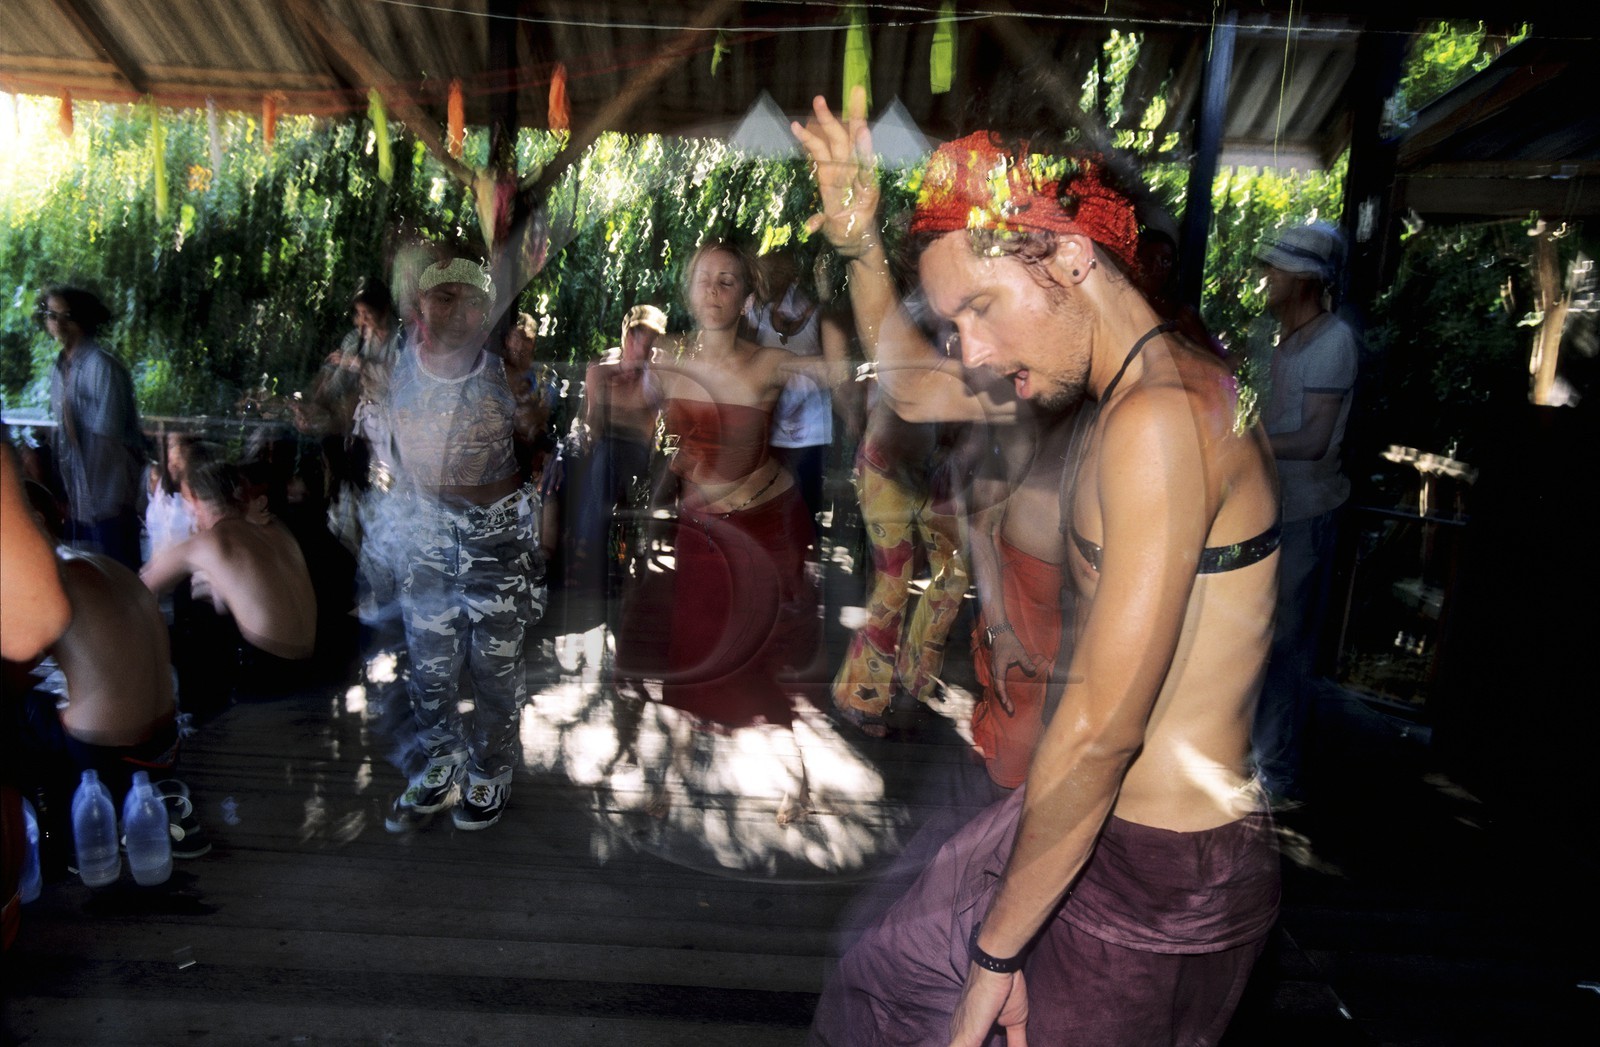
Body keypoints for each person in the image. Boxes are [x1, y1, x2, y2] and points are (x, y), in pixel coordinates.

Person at [797, 91, 1282, 1046]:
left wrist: (995, 958)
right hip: (1091, 833)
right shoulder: (1115, 388)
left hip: (1154, 878)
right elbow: (909, 378)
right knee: (881, 983)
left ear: (1067, 254)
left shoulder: (1160, 419)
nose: (970, 348)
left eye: (979, 306)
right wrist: (858, 248)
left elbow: (1102, 731)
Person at [617, 240, 823, 823]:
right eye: (703, 279)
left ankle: (799, 781)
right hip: (700, 531)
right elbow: (670, 443)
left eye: (727, 281)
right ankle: (671, 782)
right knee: (694, 653)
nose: (712, 290)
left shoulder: (769, 363)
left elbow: (844, 372)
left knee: (757, 655)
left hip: (761, 532)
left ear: (747, 297)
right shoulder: (670, 361)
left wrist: (836, 300)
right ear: (688, 290)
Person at [375, 255, 544, 833]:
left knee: (494, 667)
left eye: (471, 300)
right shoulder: (398, 368)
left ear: (484, 313)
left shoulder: (505, 374)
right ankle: (443, 763)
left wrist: (529, 402)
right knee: (429, 667)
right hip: (425, 532)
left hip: (494, 536)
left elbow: (537, 443)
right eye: (442, 297)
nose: (456, 309)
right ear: (421, 307)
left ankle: (491, 770)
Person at [5, 481, 196, 867]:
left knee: (13, 710)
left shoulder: (48, 581)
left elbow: (13, 673)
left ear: (35, 522)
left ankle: (48, 839)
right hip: (163, 744)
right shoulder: (104, 565)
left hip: (106, 755)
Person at [1251, 222, 1359, 805]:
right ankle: (1257, 761)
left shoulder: (1332, 341)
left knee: (1288, 646)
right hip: (1275, 510)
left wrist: (1242, 441)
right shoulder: (1283, 341)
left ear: (1306, 278)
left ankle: (1279, 776)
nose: (1267, 276)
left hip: (1308, 514)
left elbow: (1315, 439)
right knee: (1264, 639)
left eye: (1278, 267)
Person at [141, 459, 318, 715]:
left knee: (187, 610)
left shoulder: (206, 543)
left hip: (265, 675)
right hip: (308, 666)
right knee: (204, 598)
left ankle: (193, 721)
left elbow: (141, 587)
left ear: (193, 500)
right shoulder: (276, 529)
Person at [965, 406, 1077, 789]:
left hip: (1076, 615)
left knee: (1063, 767)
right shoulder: (1023, 429)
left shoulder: (1108, 423)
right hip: (1019, 609)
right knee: (1013, 763)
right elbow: (980, 528)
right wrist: (999, 630)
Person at [40, 287, 146, 569]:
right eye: (52, 315)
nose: (58, 323)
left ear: (84, 319)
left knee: (119, 579)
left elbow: (108, 440)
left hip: (109, 501)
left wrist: (96, 502)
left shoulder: (102, 367)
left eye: (68, 316)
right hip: (78, 503)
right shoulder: (59, 367)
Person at [569, 304, 667, 604]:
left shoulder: (657, 376)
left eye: (649, 338)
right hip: (602, 449)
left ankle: (586, 550)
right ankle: (579, 550)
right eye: (636, 336)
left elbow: (669, 422)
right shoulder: (602, 371)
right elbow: (592, 424)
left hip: (636, 454)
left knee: (609, 459)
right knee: (585, 460)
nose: (641, 344)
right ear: (625, 337)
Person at [747, 249, 852, 519]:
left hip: (810, 434)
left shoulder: (820, 316)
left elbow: (836, 372)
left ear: (792, 274)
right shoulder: (755, 315)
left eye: (775, 271)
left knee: (804, 513)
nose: (768, 278)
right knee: (768, 510)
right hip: (768, 431)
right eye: (765, 271)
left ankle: (808, 557)